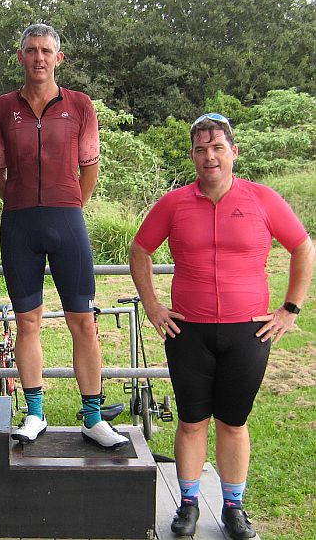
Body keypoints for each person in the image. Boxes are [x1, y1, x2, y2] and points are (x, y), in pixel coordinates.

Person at [129, 113, 314, 538]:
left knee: (233, 422)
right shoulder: (174, 203)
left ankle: (233, 507)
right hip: (188, 332)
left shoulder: (262, 199)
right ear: (193, 155)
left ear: (234, 152)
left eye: (217, 148)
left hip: (248, 331)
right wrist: (153, 306)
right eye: (200, 149)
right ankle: (189, 503)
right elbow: (140, 251)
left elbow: (303, 247)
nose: (209, 156)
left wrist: (290, 308)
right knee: (192, 421)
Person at [0, 24, 129, 449]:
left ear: (58, 58)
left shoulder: (80, 105)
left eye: (46, 51)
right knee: (27, 321)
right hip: (19, 223)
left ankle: (93, 418)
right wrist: (22, 201)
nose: (39, 58)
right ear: (20, 57)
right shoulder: (0, 108)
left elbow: (90, 166)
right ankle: (35, 413)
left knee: (82, 320)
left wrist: (68, 204)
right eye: (31, 50)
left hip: (68, 221)